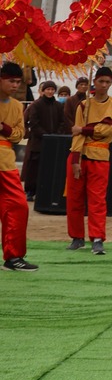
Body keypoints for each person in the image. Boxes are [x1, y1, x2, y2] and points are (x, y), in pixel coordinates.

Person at [67, 65, 112, 253]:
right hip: (79, 155)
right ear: (95, 82)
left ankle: (97, 238)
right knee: (74, 198)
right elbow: (76, 134)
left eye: (108, 82)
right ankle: (76, 237)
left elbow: (107, 131)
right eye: (101, 81)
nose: (104, 85)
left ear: (111, 83)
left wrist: (85, 129)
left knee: (97, 199)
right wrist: (75, 159)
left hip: (100, 157)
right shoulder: (84, 105)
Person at [0, 60, 36, 270]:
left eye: (17, 82)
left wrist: (3, 128)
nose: (15, 86)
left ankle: (13, 257)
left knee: (18, 206)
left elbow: (19, 134)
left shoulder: (17, 106)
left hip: (6, 162)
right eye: (11, 81)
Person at [22, 79, 66, 199]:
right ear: (43, 91)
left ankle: (45, 192)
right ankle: (30, 191)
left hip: (53, 142)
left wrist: (56, 135)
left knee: (49, 168)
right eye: (48, 89)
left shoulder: (58, 106)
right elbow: (33, 123)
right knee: (34, 168)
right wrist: (45, 135)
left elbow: (62, 122)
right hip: (38, 142)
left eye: (52, 89)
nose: (50, 92)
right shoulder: (36, 105)